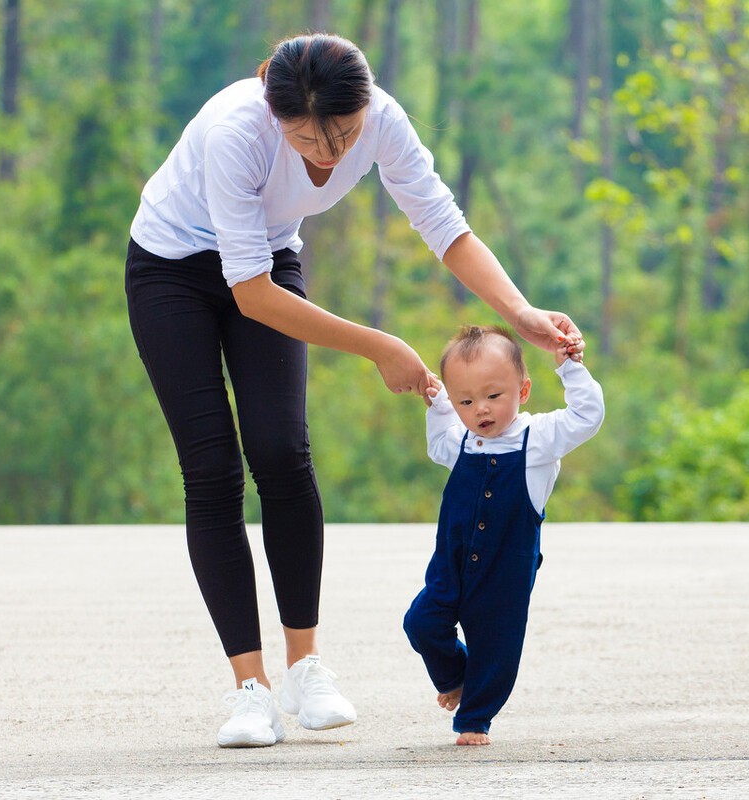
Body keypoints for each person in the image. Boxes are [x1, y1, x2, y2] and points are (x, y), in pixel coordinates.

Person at [124, 33, 586, 748]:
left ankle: (306, 668)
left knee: (282, 451)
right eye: (306, 137)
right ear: (272, 107)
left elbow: (444, 226)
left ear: (364, 107)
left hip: (268, 258)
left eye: (341, 134)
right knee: (211, 468)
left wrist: (519, 313)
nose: (327, 154)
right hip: (171, 271)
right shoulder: (235, 132)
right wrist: (381, 346)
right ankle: (250, 690)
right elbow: (249, 294)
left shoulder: (384, 121)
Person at [404, 325, 604, 745]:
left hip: (505, 568)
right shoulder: (461, 441)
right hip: (451, 564)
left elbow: (587, 416)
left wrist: (570, 369)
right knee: (421, 622)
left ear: (523, 390)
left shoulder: (539, 439)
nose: (481, 410)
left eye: (494, 396)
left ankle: (475, 719)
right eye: (465, 401)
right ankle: (455, 677)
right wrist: (438, 406)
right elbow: (438, 443)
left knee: (495, 646)